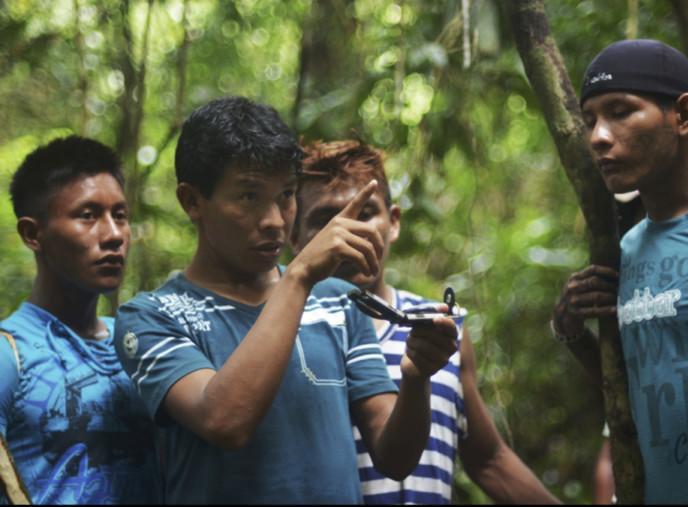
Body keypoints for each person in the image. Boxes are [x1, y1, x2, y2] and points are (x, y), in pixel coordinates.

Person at [113, 96, 459, 504]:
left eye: (286, 195)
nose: (275, 221)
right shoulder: (152, 317)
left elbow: (394, 457)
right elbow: (224, 421)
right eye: (248, 197)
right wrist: (297, 278)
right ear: (192, 201)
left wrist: (417, 377)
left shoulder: (340, 303)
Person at [291, 140, 560, 504]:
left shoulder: (440, 331)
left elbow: (489, 460)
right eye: (325, 219)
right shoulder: (282, 336)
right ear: (295, 238)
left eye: (365, 213)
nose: (347, 232)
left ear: (394, 223)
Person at [551, 38, 688, 503]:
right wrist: (570, 329)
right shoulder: (624, 249)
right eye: (589, 121)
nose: (598, 136)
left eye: (621, 111)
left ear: (683, 115)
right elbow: (636, 383)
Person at [0, 136, 160, 504]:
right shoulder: (12, 355)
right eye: (88, 215)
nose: (114, 235)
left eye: (120, 215)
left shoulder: (140, 341)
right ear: (32, 234)